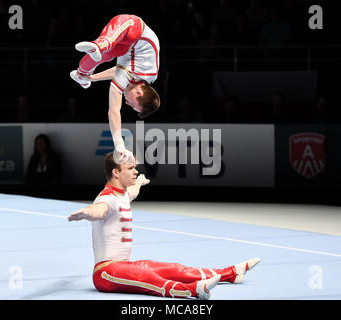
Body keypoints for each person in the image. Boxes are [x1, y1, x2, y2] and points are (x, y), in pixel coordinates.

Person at [67, 152, 260, 299]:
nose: (136, 171)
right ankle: (193, 291)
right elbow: (99, 211)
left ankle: (231, 274)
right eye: (130, 169)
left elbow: (131, 194)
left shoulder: (122, 194)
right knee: (148, 278)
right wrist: (86, 213)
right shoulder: (106, 198)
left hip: (125, 265)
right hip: (106, 272)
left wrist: (138, 184)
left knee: (174, 269)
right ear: (116, 173)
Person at [70, 14, 161, 165]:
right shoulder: (135, 74)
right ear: (139, 92)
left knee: (105, 56)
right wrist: (119, 145)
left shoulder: (144, 79)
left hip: (126, 46)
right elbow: (113, 111)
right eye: (132, 104)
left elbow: (119, 70)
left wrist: (92, 78)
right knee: (106, 46)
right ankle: (100, 44)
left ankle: (82, 73)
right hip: (133, 26)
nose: (127, 104)